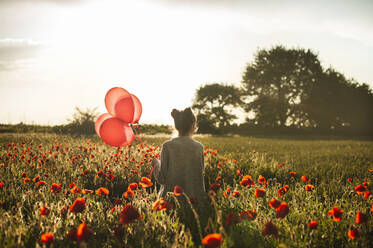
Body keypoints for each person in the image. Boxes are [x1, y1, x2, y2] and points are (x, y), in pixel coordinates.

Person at [151, 107, 207, 204]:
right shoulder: (199, 147)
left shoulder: (167, 146)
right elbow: (199, 174)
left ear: (176, 126)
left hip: (170, 202)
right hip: (193, 202)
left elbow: (162, 179)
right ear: (193, 125)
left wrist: (156, 164)